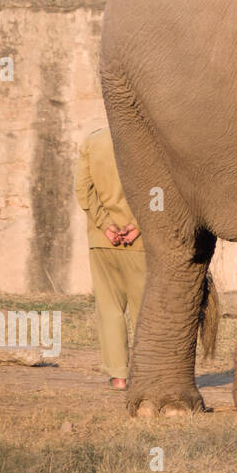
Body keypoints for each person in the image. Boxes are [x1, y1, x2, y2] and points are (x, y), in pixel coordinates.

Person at [74, 127, 146, 391]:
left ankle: (118, 377)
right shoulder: (145, 138)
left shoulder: (93, 142)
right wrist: (137, 225)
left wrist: (105, 226)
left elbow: (83, 189)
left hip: (102, 241)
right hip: (140, 242)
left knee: (109, 309)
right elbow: (157, 190)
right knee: (144, 310)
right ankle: (144, 373)